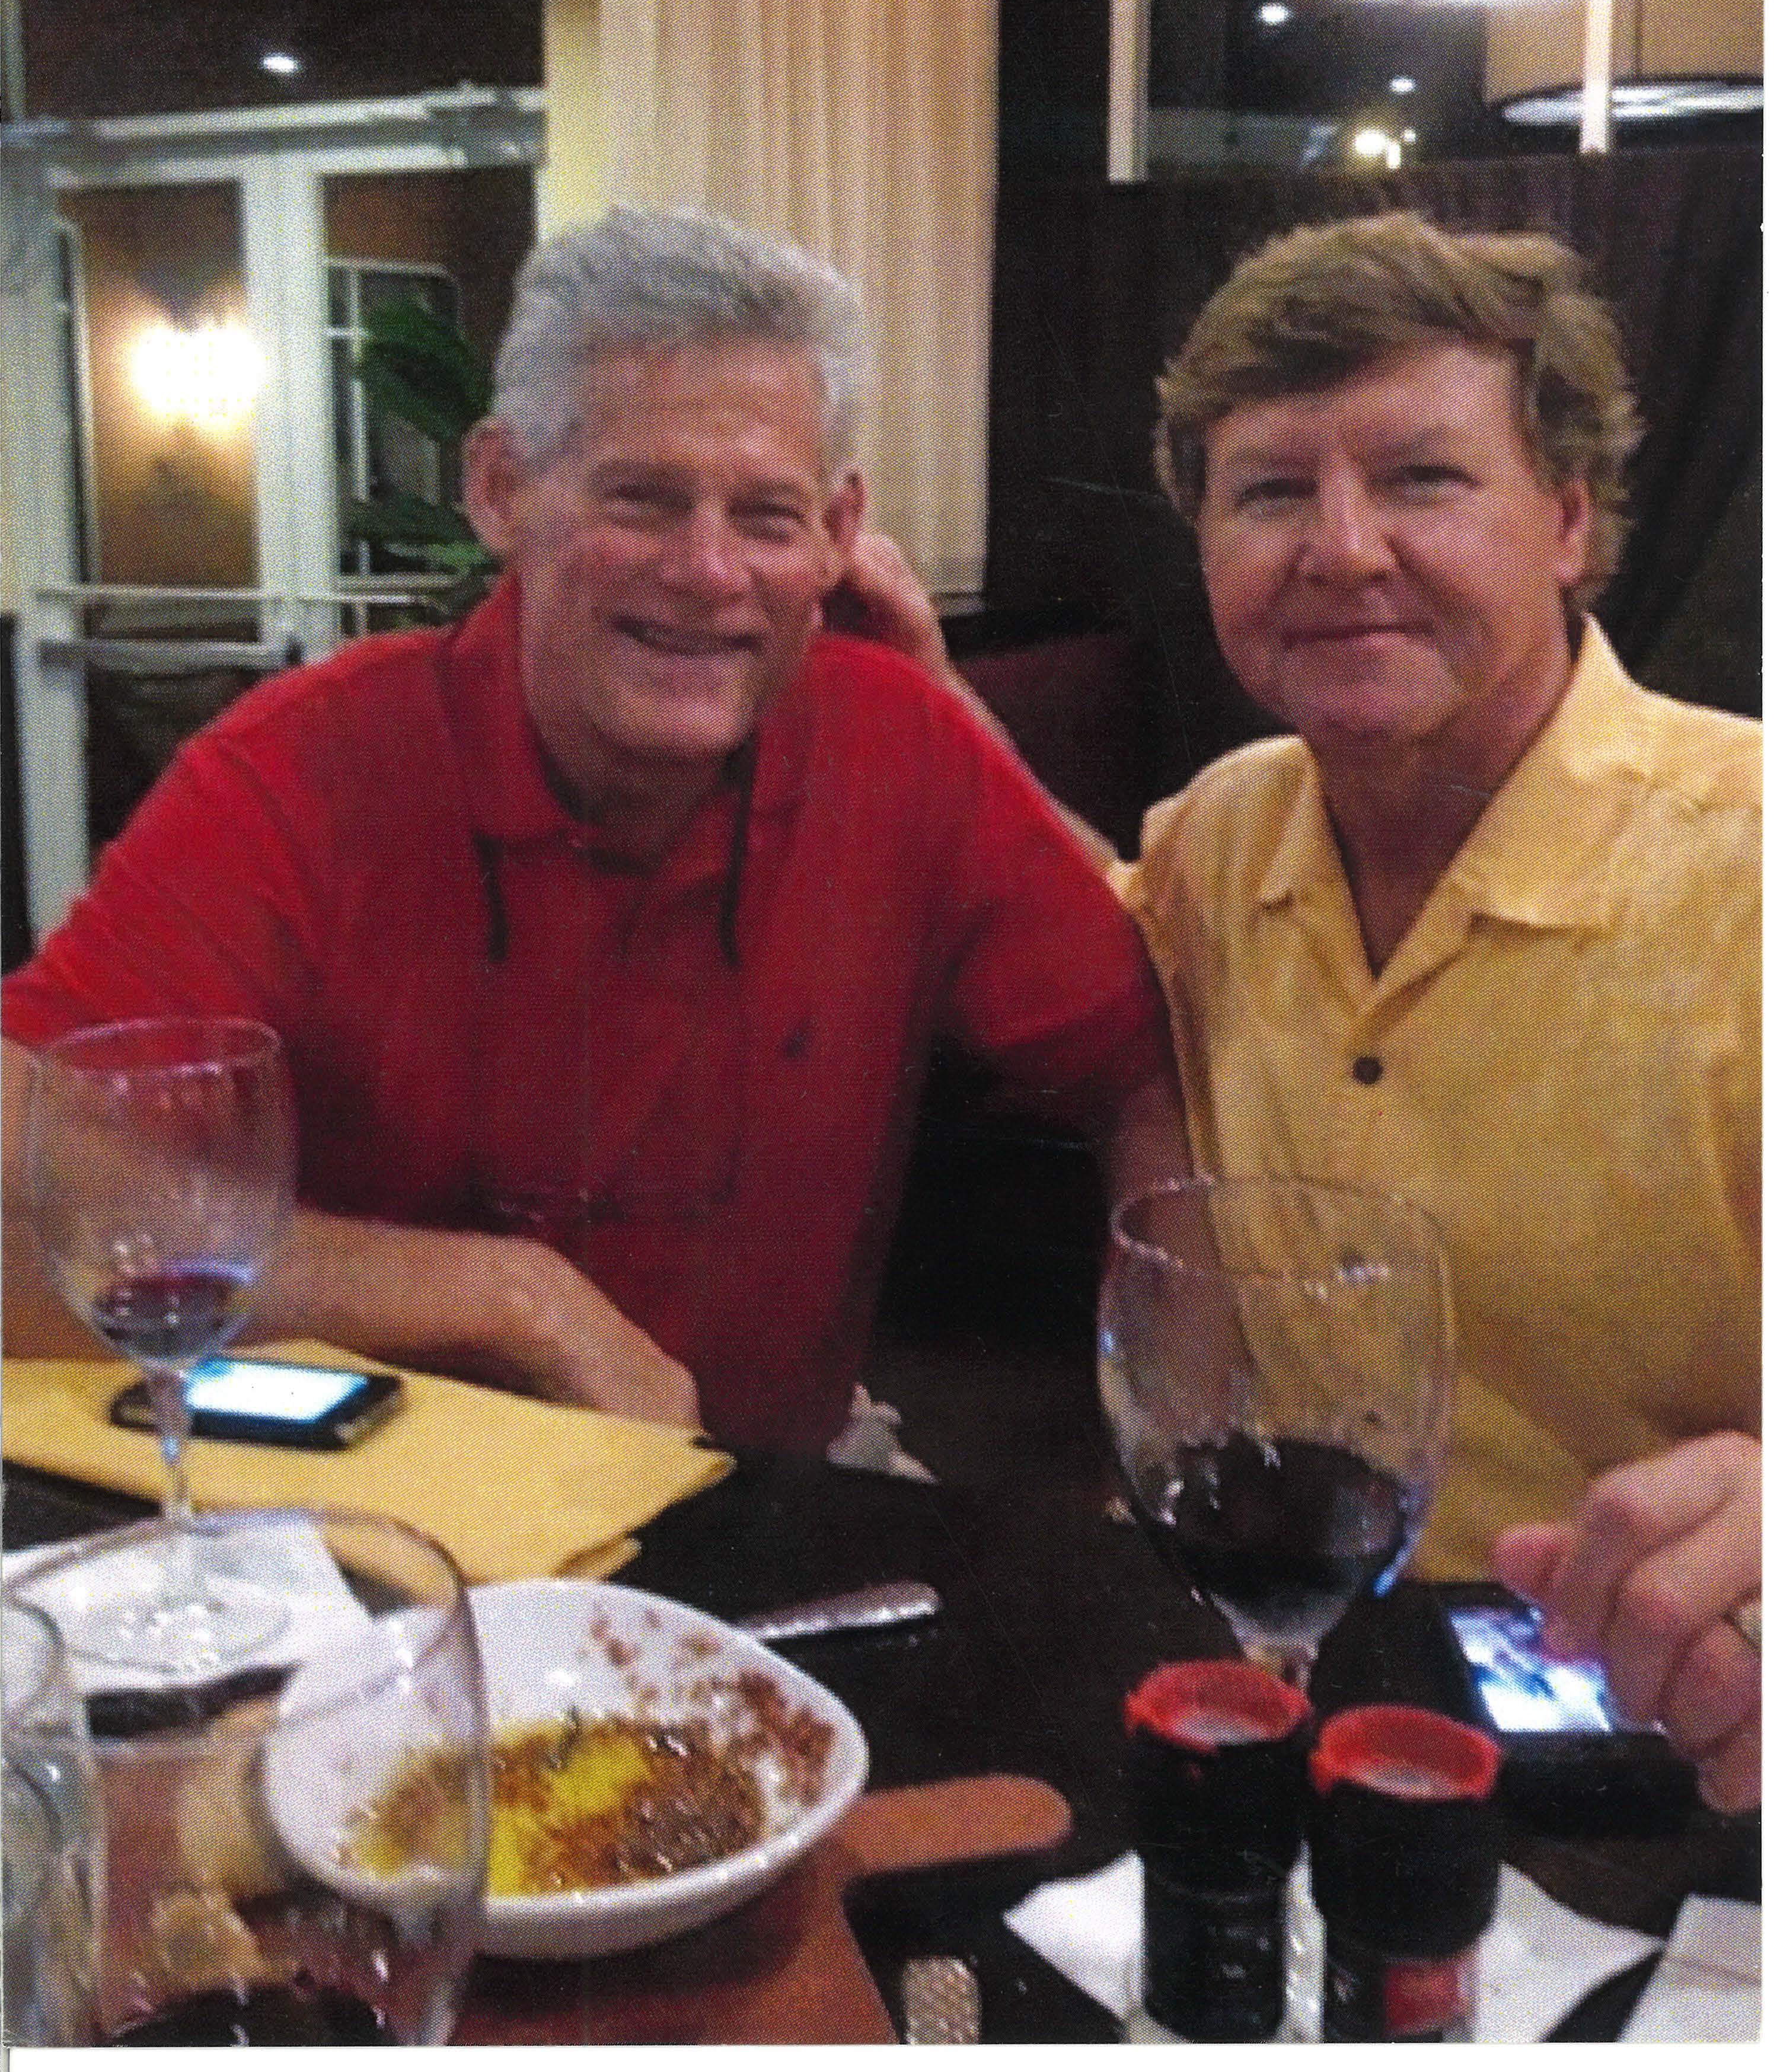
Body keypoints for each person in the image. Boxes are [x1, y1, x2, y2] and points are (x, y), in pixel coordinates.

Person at [2, 205, 1185, 1459]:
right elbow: (26, 1161)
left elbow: (1142, 1073)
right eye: (643, 499)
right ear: (500, 488)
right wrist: (507, 1300)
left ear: (839, 534)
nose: (709, 571)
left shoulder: (904, 750)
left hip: (763, 1498)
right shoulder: (300, 769)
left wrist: (1178, 1440)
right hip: (374, 1512)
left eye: (766, 516)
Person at [1112, 211, 1758, 1810]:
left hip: (1666, 1752)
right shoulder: (1219, 835)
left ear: (1564, 517)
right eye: (1270, 491)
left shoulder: (1744, 868)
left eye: (1419, 478)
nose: (1340, 548)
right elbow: (1056, 919)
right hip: (1290, 1671)